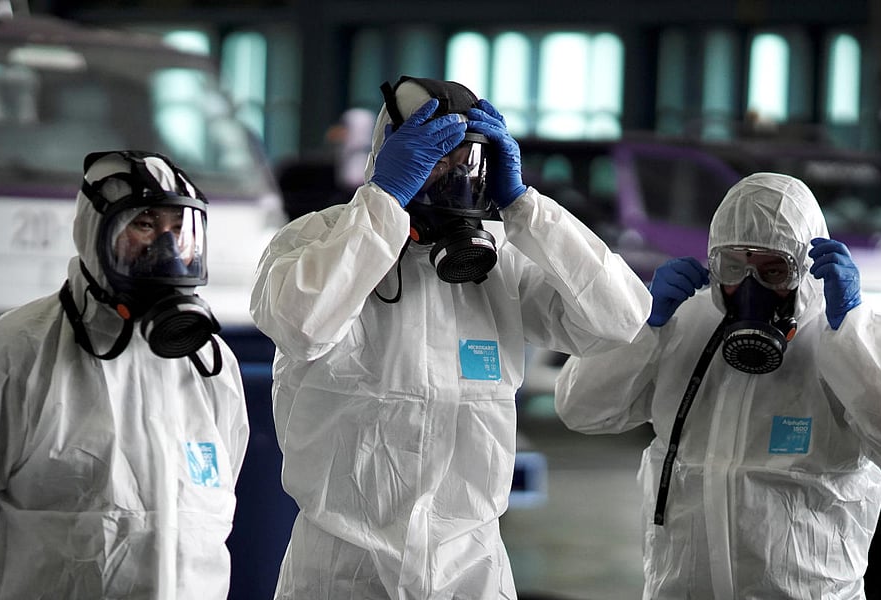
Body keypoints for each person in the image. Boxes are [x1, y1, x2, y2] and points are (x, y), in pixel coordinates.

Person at [250, 75, 651, 599]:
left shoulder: (501, 261)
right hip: (342, 572)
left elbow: (620, 319)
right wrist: (384, 203)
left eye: (468, 161)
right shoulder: (316, 239)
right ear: (391, 153)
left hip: (470, 570)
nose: (455, 176)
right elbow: (301, 325)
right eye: (437, 157)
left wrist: (526, 207)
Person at [554, 172, 881, 599]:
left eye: (773, 270)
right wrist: (643, 326)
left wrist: (853, 335)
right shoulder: (681, 325)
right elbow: (579, 409)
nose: (750, 287)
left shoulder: (846, 337)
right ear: (712, 262)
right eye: (733, 266)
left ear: (804, 268)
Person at [0, 150, 249, 599]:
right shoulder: (16, 354)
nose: (167, 250)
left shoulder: (210, 365)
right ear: (95, 233)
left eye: (179, 230)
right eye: (144, 225)